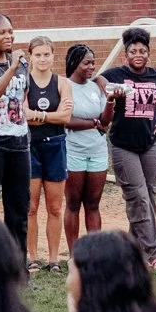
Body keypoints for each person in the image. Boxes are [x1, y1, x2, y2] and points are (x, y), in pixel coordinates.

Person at [101, 26, 156, 272]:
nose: (138, 54)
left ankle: (131, 251)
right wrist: (109, 89)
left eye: (142, 51)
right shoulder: (118, 73)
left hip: (149, 144)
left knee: (149, 197)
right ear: (126, 55)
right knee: (138, 197)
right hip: (124, 146)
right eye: (133, 51)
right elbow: (98, 78)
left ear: (148, 54)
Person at [22, 36, 74, 274]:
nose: (42, 59)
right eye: (38, 55)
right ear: (30, 56)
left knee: (54, 207)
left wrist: (38, 115)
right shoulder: (23, 82)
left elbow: (65, 118)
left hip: (55, 145)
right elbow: (21, 115)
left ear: (53, 56)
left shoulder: (62, 83)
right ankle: (33, 257)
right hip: (29, 146)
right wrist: (46, 115)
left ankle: (53, 259)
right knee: (30, 207)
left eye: (46, 54)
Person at [61, 44, 113, 249]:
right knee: (73, 204)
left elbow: (106, 122)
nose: (92, 67)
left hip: (97, 151)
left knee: (93, 204)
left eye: (93, 62)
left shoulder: (96, 87)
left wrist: (110, 101)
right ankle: (75, 254)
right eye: (86, 63)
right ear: (74, 63)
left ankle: (94, 253)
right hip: (73, 150)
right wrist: (93, 123)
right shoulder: (64, 86)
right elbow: (65, 119)